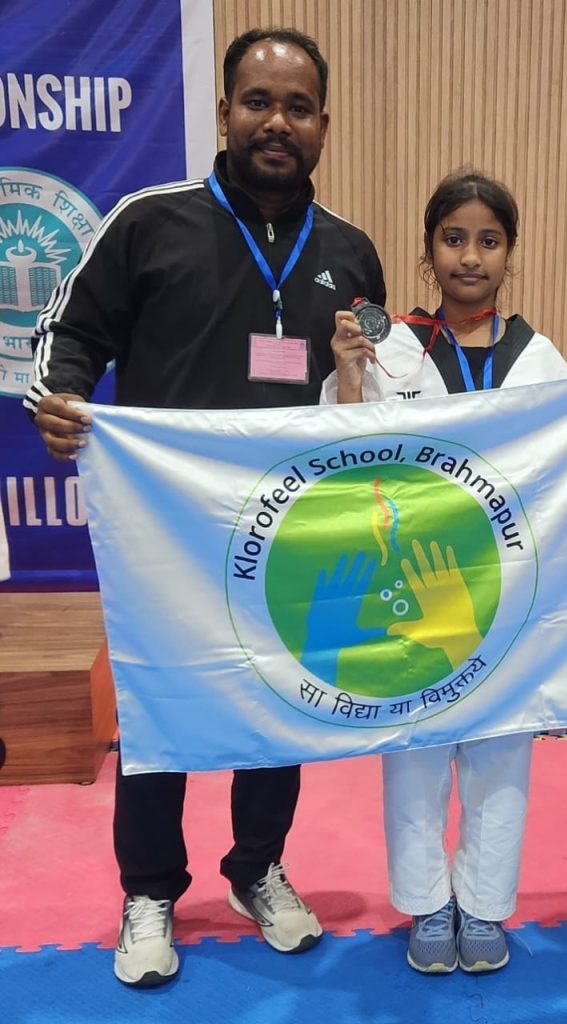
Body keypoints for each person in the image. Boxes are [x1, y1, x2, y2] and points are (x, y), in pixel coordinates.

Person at [24, 27, 386, 988]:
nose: (277, 123)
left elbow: (376, 386)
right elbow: (70, 334)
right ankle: (149, 890)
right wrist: (61, 398)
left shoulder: (349, 252)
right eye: (258, 102)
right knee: (162, 706)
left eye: (298, 107)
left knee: (280, 702)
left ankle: (256, 867)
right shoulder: (149, 222)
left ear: (322, 124)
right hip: (167, 530)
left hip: (294, 531)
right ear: (224, 112)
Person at [324, 170, 567, 976]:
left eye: (487, 240)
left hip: (505, 592)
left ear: (508, 254)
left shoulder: (540, 358)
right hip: (406, 584)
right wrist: (348, 374)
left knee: (500, 751)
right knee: (413, 747)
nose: (469, 256)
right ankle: (427, 903)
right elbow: (340, 463)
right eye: (453, 238)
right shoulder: (389, 348)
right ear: (428, 252)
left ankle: (484, 906)